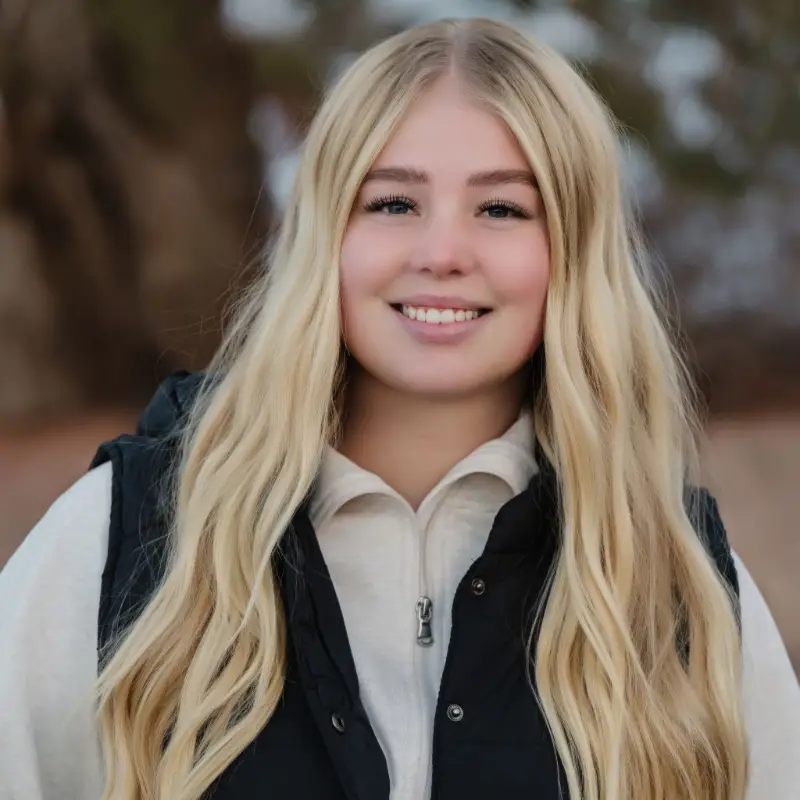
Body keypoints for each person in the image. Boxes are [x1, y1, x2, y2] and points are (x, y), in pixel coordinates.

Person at [0, 16, 798, 800]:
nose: (442, 253)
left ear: (574, 251)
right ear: (326, 238)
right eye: (392, 205)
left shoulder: (675, 573)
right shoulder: (127, 537)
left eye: (502, 210)